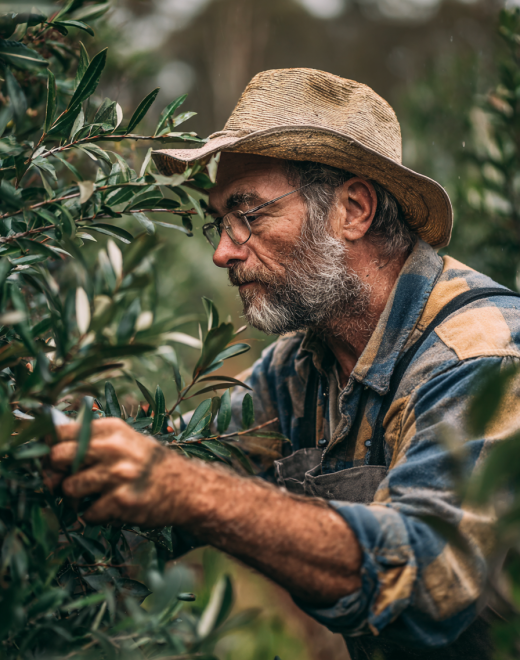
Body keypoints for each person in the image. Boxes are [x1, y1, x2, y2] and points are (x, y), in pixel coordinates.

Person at [47, 69, 520, 659]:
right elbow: (198, 450)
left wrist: (187, 491)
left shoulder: (482, 358)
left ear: (353, 209)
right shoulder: (301, 369)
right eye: (221, 221)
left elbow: (429, 576)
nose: (223, 250)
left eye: (249, 214)